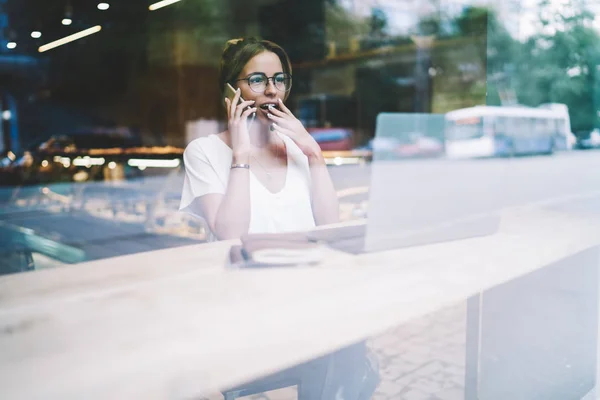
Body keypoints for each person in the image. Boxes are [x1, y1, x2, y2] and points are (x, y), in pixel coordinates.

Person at [180, 37, 339, 240]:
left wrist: (315, 154)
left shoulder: (298, 147)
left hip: (304, 269)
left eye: (279, 80)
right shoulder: (203, 151)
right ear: (230, 90)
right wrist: (241, 155)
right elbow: (230, 236)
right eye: (257, 80)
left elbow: (331, 228)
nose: (272, 90)